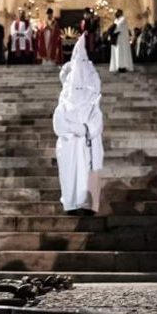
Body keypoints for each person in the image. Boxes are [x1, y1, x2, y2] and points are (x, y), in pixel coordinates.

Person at [53, 36, 104, 215]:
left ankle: (86, 204)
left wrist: (86, 130)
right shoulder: (64, 103)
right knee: (70, 175)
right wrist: (77, 129)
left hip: (86, 145)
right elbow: (59, 124)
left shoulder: (92, 103)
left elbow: (97, 123)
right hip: (70, 146)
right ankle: (71, 203)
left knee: (86, 174)